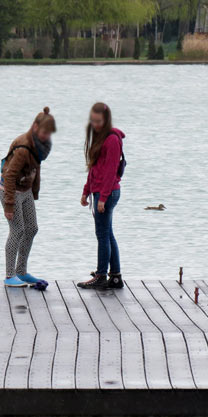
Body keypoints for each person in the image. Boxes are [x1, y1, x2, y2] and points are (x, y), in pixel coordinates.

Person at [0, 107, 56, 287]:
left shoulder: (40, 146)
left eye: (49, 133)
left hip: (26, 191)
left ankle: (21, 272)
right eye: (44, 132)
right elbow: (8, 175)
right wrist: (9, 205)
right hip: (11, 192)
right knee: (17, 230)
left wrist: (35, 192)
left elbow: (36, 168)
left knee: (31, 228)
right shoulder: (24, 147)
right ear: (35, 127)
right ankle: (9, 276)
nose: (47, 136)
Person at [77, 102, 125, 290]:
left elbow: (110, 171)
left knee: (102, 234)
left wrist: (103, 198)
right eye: (93, 121)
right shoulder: (99, 137)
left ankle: (101, 276)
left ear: (106, 120)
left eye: (99, 121)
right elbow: (95, 168)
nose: (95, 125)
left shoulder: (112, 140)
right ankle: (115, 276)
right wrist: (86, 190)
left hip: (108, 192)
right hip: (99, 191)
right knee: (107, 233)